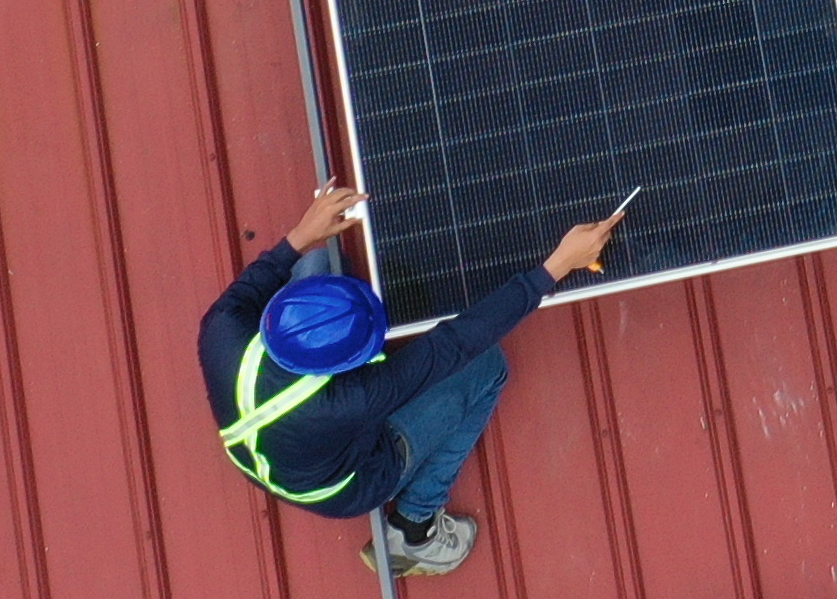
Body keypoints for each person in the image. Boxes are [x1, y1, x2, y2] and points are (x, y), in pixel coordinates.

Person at [196, 181, 621, 574]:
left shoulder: (223, 328)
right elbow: (455, 345)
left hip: (270, 445)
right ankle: (415, 528)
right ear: (343, 368)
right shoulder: (355, 399)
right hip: (346, 483)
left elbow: (274, 266)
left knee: (318, 257)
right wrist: (556, 267)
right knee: (486, 367)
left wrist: (303, 233)